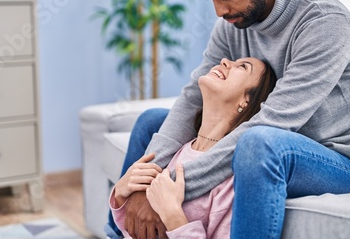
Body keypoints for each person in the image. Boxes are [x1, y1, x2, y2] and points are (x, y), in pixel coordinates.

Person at [106, 0, 350, 239]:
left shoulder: (324, 23)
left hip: (346, 163)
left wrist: (165, 190)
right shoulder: (230, 26)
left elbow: (273, 124)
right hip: (273, 143)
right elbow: (192, 98)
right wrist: (141, 186)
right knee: (151, 121)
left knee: (260, 143)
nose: (219, 11)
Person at [109, 57, 277, 238]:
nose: (225, 60)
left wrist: (173, 216)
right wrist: (120, 194)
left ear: (246, 100)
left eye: (243, 67)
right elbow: (136, 230)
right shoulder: (176, 150)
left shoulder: (231, 180)